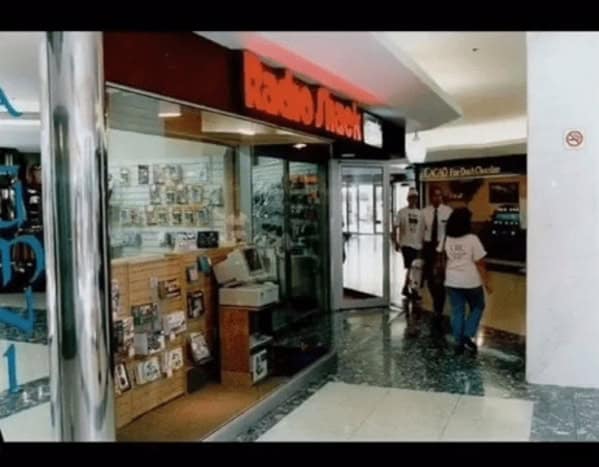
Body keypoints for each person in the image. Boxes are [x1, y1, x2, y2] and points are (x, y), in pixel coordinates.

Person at [440, 207, 492, 355]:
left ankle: (458, 341)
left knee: (457, 311)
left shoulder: (447, 237)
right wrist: (487, 282)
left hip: (451, 280)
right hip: (470, 281)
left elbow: (442, 256)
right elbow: (481, 262)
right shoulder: (472, 239)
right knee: (478, 305)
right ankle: (467, 335)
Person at [422, 186, 453, 316]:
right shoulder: (424, 212)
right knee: (429, 277)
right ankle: (436, 299)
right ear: (431, 197)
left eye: (439, 195)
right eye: (435, 195)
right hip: (428, 246)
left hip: (443, 247)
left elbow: (451, 231)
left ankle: (439, 305)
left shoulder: (448, 211)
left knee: (440, 277)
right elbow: (420, 231)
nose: (437, 198)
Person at [394, 188, 424, 299]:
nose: (413, 200)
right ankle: (411, 288)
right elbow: (395, 227)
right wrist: (395, 241)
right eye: (411, 198)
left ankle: (406, 287)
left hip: (417, 244)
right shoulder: (402, 212)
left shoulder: (420, 214)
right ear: (408, 199)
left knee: (413, 267)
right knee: (411, 266)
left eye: (415, 198)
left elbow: (422, 229)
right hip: (406, 244)